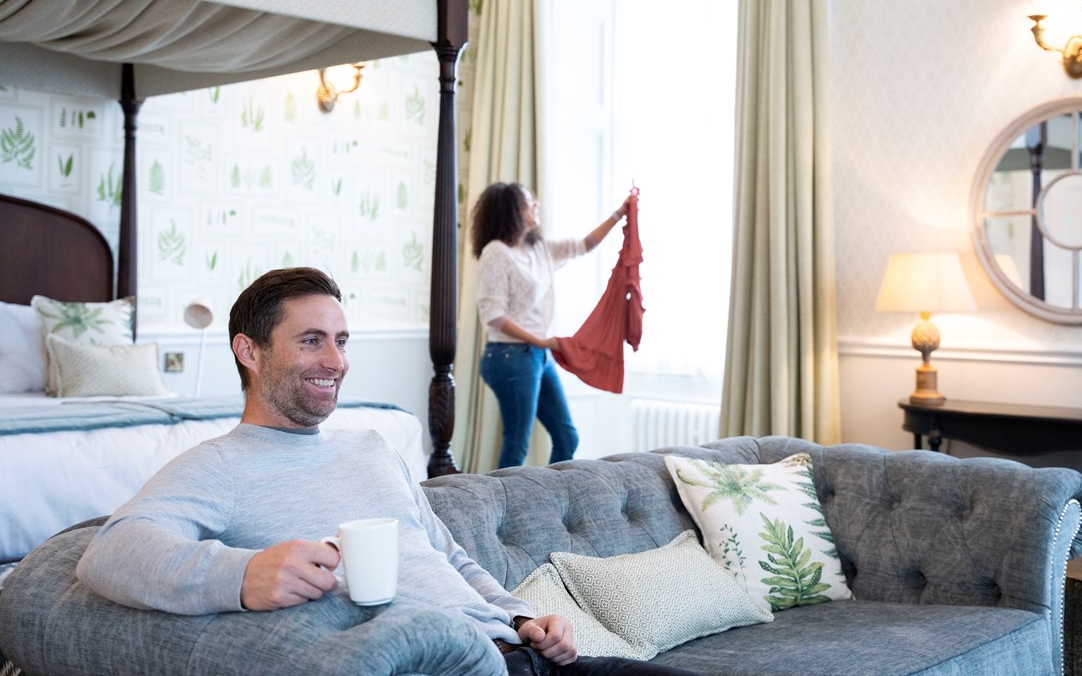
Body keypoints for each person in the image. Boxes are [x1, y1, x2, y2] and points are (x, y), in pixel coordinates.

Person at [75, 267, 695, 676]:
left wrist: (523, 617)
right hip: (451, 664)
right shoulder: (216, 465)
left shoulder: (371, 446)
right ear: (249, 351)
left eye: (342, 341)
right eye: (312, 340)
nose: (336, 361)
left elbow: (448, 557)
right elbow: (107, 553)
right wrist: (238, 574)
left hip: (522, 653)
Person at [470, 183, 628, 468]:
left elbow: (585, 245)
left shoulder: (539, 248)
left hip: (536, 356)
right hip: (508, 357)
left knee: (567, 438)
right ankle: (507, 508)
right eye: (529, 202)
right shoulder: (496, 253)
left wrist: (619, 214)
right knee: (517, 443)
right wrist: (542, 341)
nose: (536, 205)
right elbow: (494, 316)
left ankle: (551, 502)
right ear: (512, 210)